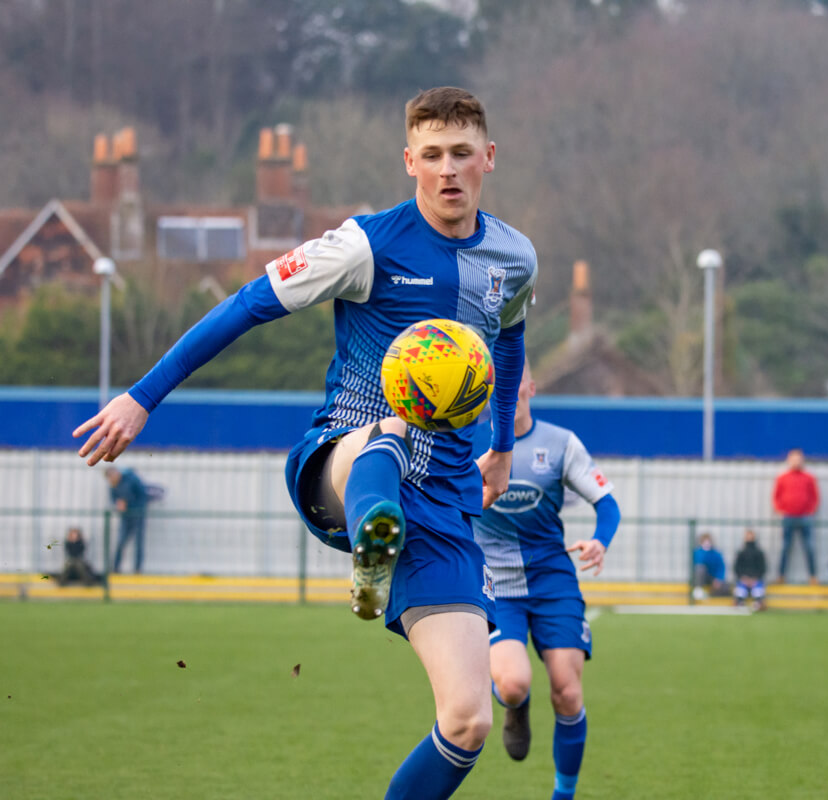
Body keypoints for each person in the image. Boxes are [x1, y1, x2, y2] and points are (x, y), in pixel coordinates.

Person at [73, 87, 537, 800]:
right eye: (433, 155)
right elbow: (247, 305)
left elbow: (508, 344)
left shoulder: (513, 255)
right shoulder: (365, 245)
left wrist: (501, 445)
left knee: (468, 720)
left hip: (443, 505)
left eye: (463, 155)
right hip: (343, 463)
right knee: (387, 429)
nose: (448, 170)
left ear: (489, 159)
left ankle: (383, 551)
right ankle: (371, 541)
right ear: (409, 160)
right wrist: (142, 397)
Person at [473, 365, 619, 800]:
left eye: (517, 379)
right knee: (514, 684)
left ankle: (563, 795)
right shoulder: (467, 443)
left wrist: (600, 540)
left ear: (531, 387)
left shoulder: (560, 443)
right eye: (498, 381)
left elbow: (606, 503)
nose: (508, 388)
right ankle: (515, 709)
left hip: (552, 580)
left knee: (568, 693)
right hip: (495, 584)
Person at [772, 448, 820, 585]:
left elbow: (814, 497)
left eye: (798, 459)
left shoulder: (808, 478)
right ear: (789, 460)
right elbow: (776, 496)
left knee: (809, 547)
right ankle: (781, 576)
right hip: (788, 517)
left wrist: (810, 510)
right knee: (786, 547)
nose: (796, 462)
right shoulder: (783, 477)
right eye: (793, 459)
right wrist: (780, 510)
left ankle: (813, 576)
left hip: (805, 517)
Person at [105, 466, 149, 573]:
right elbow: (114, 499)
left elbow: (143, 496)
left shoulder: (132, 479)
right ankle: (115, 568)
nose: (112, 481)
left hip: (138, 515)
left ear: (116, 474)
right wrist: (118, 504)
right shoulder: (113, 485)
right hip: (125, 516)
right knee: (121, 542)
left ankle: (137, 569)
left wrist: (129, 504)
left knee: (139, 543)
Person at [732, 529, 767, 611]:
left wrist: (754, 578)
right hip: (743, 579)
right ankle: (739, 602)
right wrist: (743, 578)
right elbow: (737, 568)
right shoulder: (741, 553)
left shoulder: (759, 553)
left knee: (758, 590)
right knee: (740, 589)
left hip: (756, 579)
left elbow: (762, 568)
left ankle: (759, 603)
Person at [692, 532, 728, 598]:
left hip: (713, 578)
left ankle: (711, 594)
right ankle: (698, 589)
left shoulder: (716, 553)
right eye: (704, 541)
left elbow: (721, 567)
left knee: (725, 587)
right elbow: (699, 563)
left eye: (708, 541)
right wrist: (705, 552)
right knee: (700, 569)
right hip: (703, 577)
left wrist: (718, 579)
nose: (707, 543)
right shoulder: (698, 552)